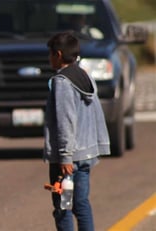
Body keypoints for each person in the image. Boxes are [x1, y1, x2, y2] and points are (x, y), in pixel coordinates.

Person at [43, 31, 110, 231]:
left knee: (63, 207)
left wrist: (65, 156)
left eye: (51, 54)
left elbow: (66, 120)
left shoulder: (62, 82)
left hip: (68, 160)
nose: (49, 58)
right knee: (81, 205)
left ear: (59, 54)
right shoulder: (85, 76)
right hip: (86, 153)